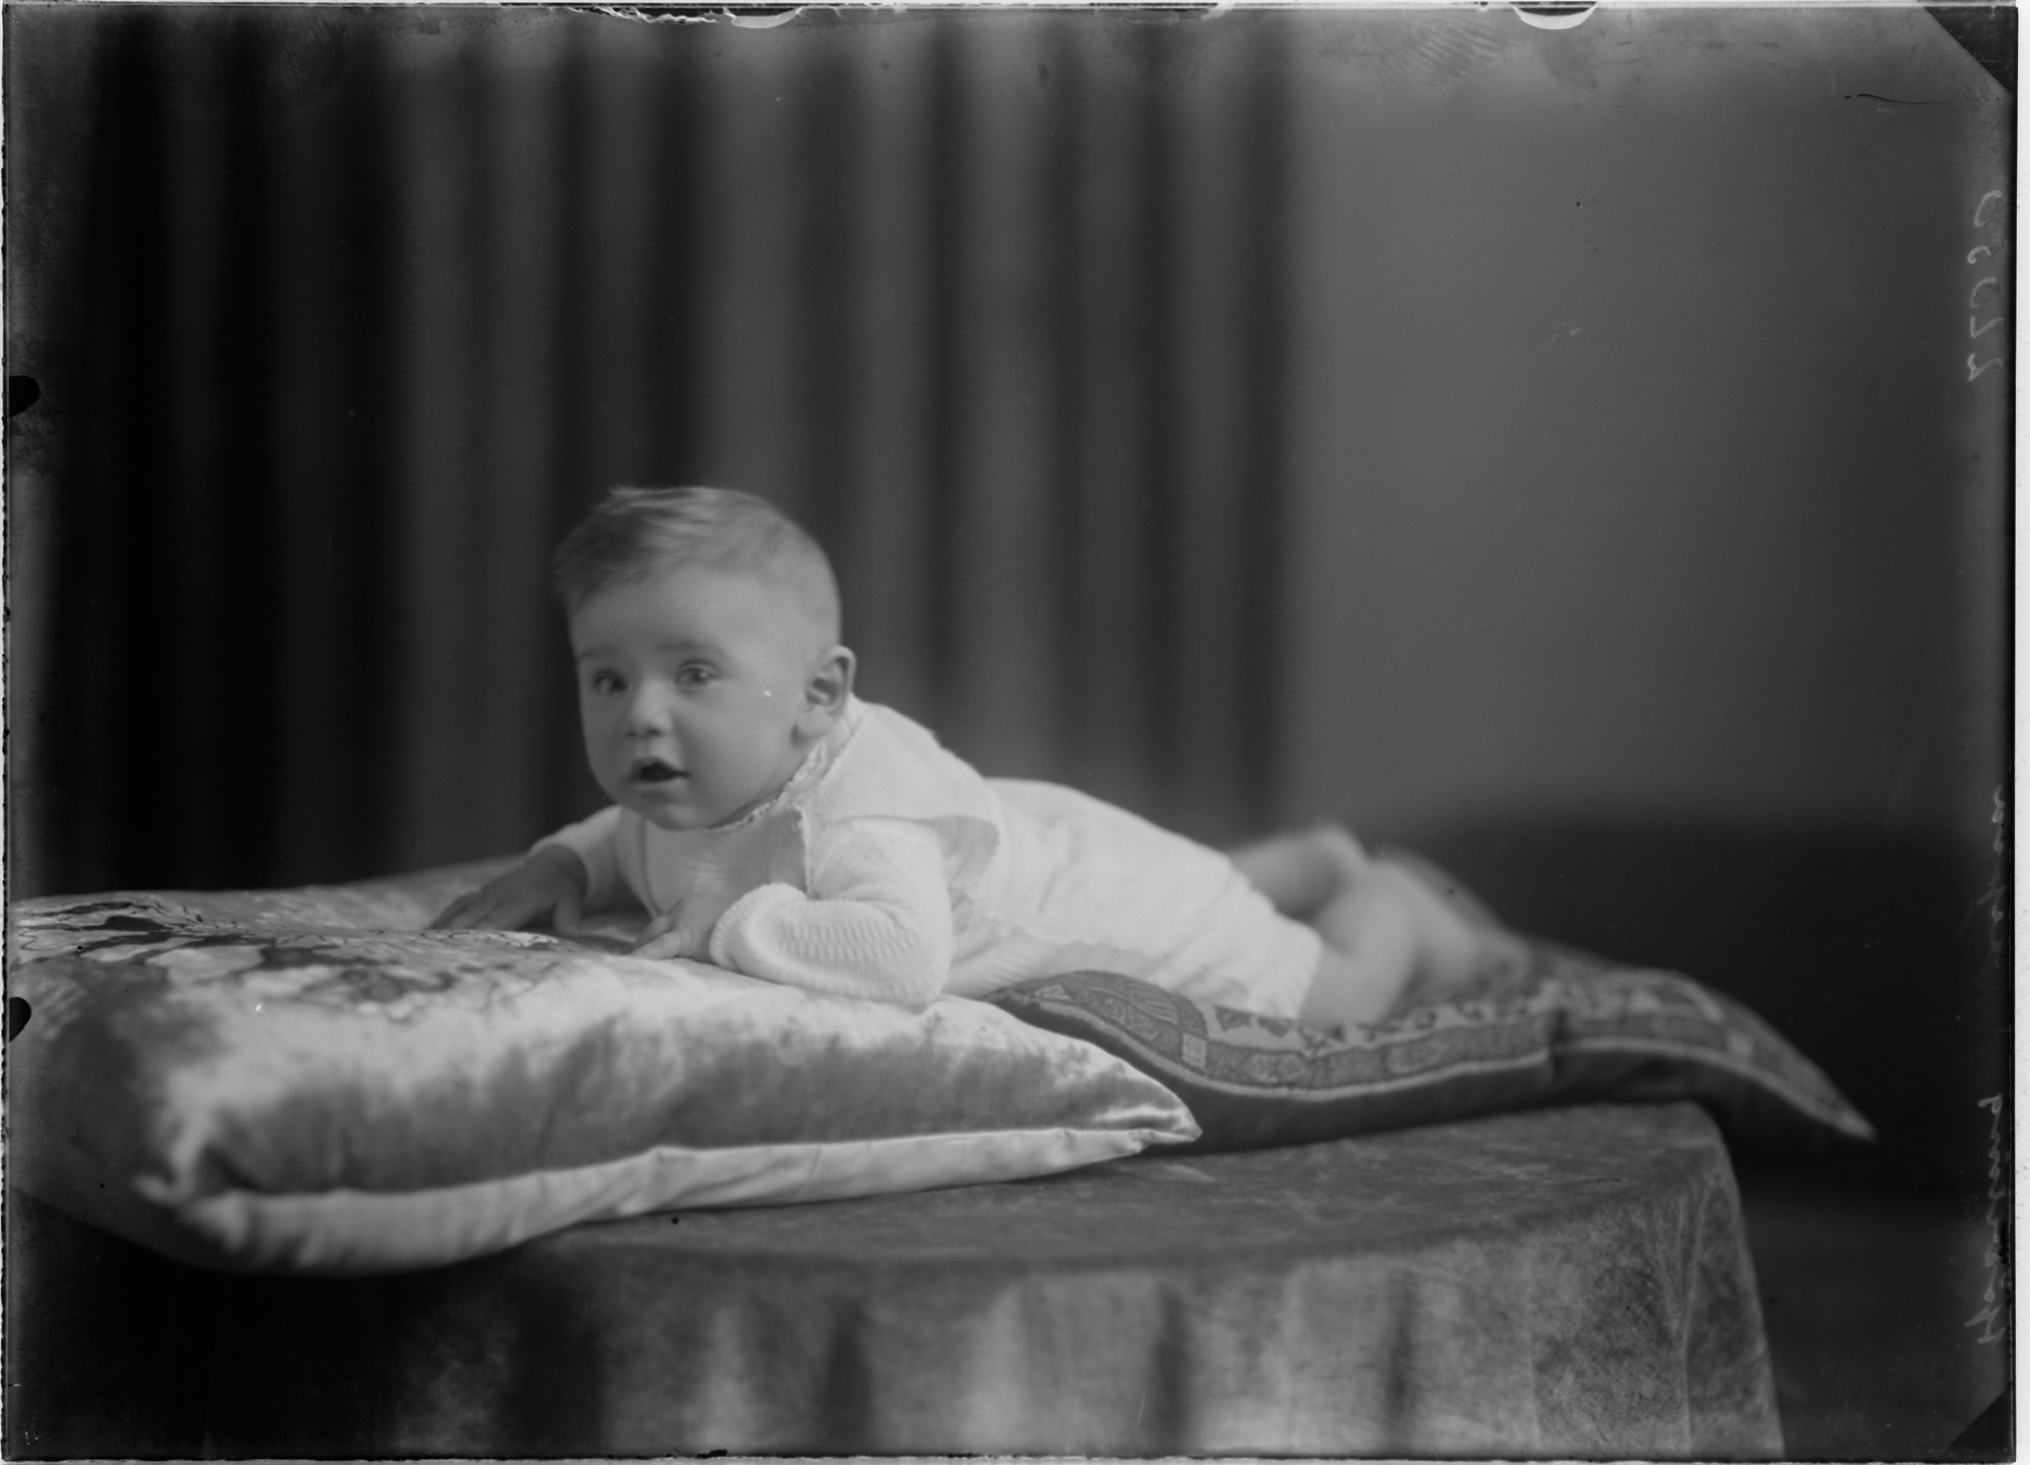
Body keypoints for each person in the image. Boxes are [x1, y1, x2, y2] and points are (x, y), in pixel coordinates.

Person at [433, 486, 1508, 1027]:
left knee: (1337, 989)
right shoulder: (688, 784)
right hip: (1058, 850)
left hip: (1136, 920)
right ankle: (1296, 863)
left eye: (694, 673)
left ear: (819, 697)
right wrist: (563, 864)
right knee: (1161, 869)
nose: (641, 716)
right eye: (607, 679)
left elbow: (902, 957)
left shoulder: (858, 826)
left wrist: (726, 924)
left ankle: (1395, 902)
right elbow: (627, 836)